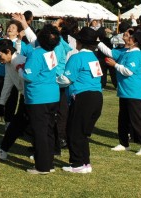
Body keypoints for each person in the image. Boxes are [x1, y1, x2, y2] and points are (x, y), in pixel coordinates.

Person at [99, 27, 141, 156]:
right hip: (125, 91)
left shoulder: (135, 54)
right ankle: (124, 143)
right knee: (122, 118)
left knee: (135, 119)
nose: (127, 38)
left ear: (135, 42)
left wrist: (115, 65)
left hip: (133, 91)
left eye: (130, 37)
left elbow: (128, 71)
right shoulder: (126, 52)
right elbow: (110, 52)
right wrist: (97, 41)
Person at [61, 27, 103, 174]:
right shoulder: (94, 58)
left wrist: (53, 79)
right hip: (97, 97)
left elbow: (66, 79)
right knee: (83, 133)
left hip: (83, 97)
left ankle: (77, 163)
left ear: (80, 42)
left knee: (74, 131)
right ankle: (85, 163)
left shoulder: (76, 57)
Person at [21, 24, 61, 174]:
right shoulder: (51, 52)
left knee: (40, 132)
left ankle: (42, 166)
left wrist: (20, 69)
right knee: (49, 130)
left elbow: (29, 76)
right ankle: (49, 163)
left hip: (38, 97)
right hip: (52, 95)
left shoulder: (36, 53)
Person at [0, 38, 28, 161]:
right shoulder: (8, 64)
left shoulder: (20, 61)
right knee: (18, 124)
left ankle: (3, 149)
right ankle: (3, 149)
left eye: (0, 54)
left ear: (8, 51)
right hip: (26, 96)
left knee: (21, 124)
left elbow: (28, 80)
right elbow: (8, 84)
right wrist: (1, 104)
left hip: (33, 97)